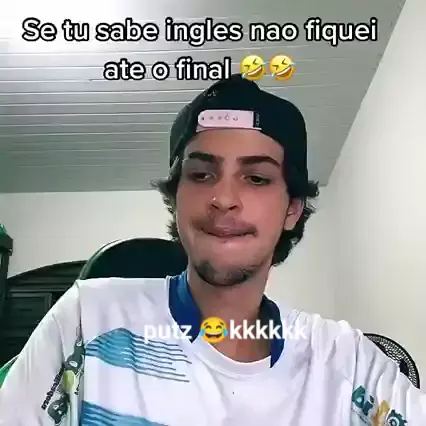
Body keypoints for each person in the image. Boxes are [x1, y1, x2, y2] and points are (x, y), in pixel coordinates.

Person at [0, 74, 424, 425]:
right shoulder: (88, 319)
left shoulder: (346, 360)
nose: (222, 199)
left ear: (292, 210)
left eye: (256, 178)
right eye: (201, 175)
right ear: (176, 198)